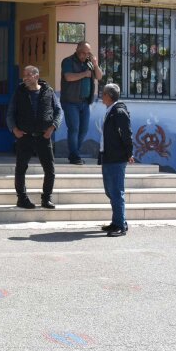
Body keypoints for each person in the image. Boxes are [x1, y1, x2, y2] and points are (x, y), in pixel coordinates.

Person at [6, 65, 63, 209]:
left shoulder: (48, 91)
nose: (24, 78)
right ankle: (22, 199)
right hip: (25, 136)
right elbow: (10, 113)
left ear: (36, 76)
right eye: (24, 75)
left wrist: (53, 127)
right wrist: (14, 129)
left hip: (44, 136)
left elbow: (58, 111)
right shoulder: (19, 92)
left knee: (50, 169)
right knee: (20, 169)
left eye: (28, 75)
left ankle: (46, 198)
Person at [99, 83, 135, 237]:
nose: (101, 96)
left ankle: (120, 225)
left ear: (108, 95)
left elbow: (127, 134)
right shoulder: (111, 110)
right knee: (110, 191)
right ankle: (117, 221)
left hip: (116, 157)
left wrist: (129, 153)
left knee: (116, 191)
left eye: (103, 93)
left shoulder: (119, 111)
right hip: (108, 156)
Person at [60, 41, 103, 165]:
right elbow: (68, 77)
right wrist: (84, 74)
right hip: (70, 101)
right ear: (77, 49)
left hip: (85, 102)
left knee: (83, 130)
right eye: (82, 52)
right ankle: (74, 155)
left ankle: (75, 152)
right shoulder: (68, 61)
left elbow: (99, 77)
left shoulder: (89, 63)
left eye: (87, 53)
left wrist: (95, 64)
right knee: (74, 128)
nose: (84, 55)